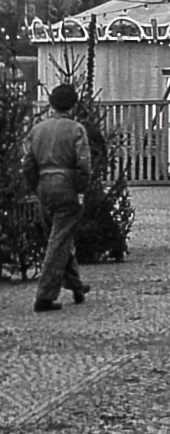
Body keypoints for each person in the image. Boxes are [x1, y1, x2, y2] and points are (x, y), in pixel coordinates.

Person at [25, 84, 92, 313]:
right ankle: (44, 297)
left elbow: (28, 165)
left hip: (44, 187)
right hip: (67, 189)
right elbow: (84, 165)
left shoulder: (37, 130)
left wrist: (38, 188)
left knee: (61, 239)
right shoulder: (76, 130)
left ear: (51, 104)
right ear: (73, 105)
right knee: (59, 242)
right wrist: (81, 192)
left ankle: (76, 286)